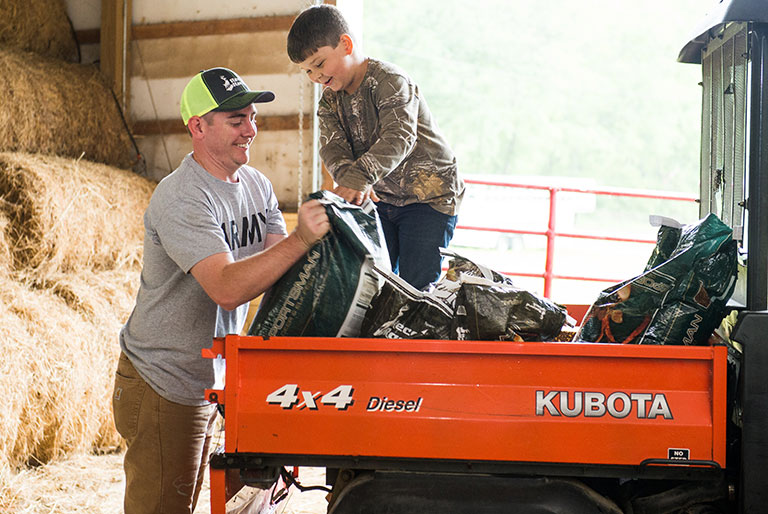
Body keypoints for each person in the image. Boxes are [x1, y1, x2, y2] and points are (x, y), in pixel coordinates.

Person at [112, 67, 330, 514]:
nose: (251, 130)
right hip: (165, 381)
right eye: (236, 120)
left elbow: (279, 274)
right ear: (198, 126)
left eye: (252, 118)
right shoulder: (181, 197)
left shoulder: (258, 186)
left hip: (211, 378)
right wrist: (302, 239)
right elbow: (228, 289)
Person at [287, 4, 465, 291]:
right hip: (383, 199)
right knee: (373, 281)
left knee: (415, 285)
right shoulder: (329, 102)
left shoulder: (390, 81)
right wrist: (350, 183)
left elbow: (400, 137)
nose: (316, 77)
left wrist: (358, 179)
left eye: (319, 64)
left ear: (346, 44)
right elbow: (333, 149)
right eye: (307, 71)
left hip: (429, 199)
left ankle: (413, 334)